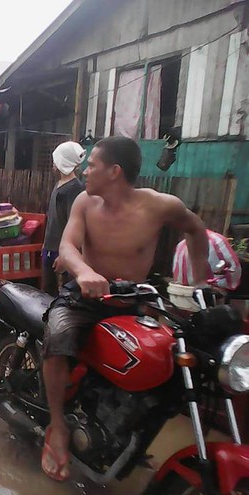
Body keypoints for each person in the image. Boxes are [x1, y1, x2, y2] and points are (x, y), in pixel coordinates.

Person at [40, 136, 209, 482]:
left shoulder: (161, 206)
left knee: (164, 361)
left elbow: (196, 230)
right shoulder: (85, 202)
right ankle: (57, 427)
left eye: (92, 166)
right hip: (84, 299)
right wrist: (85, 271)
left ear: (114, 172)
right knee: (57, 340)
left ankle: (126, 431)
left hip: (133, 301)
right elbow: (67, 245)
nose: (85, 171)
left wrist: (199, 283)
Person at [42, 141, 86, 297]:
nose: (54, 163)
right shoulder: (59, 184)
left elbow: (73, 224)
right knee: (48, 291)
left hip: (62, 252)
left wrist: (64, 256)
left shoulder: (75, 189)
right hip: (50, 247)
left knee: (64, 294)